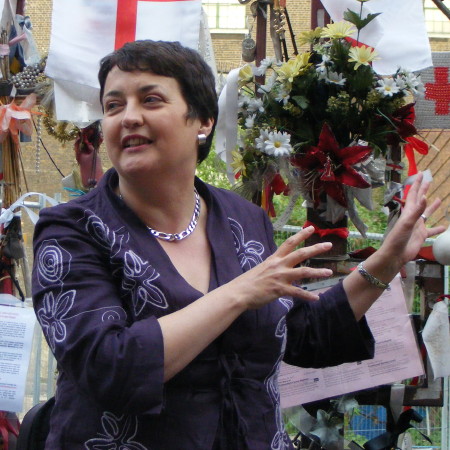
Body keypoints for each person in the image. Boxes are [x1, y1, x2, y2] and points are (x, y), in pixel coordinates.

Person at [31, 40, 444, 450]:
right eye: (113, 106)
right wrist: (238, 293)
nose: (128, 117)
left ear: (204, 121)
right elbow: (108, 367)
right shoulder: (72, 231)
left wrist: (387, 261)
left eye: (151, 100)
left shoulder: (243, 220)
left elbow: (300, 331)